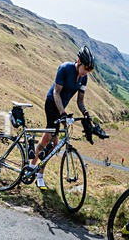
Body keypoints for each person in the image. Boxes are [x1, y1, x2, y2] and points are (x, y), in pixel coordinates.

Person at [31, 45, 95, 190]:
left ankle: (33, 167)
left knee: (50, 142)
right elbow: (56, 93)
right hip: (52, 103)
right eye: (86, 68)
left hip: (61, 108)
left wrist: (85, 113)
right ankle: (37, 173)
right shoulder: (65, 68)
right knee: (51, 141)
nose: (87, 72)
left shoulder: (83, 79)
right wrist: (63, 113)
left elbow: (80, 101)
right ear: (79, 61)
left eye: (89, 70)